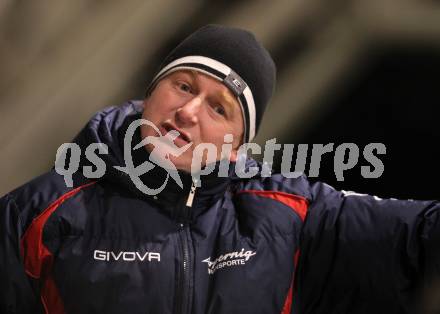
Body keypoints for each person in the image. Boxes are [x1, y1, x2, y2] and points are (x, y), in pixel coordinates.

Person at [0, 24, 439, 314]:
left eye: (218, 107)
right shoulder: (38, 213)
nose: (188, 111)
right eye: (183, 85)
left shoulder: (289, 211)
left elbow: (418, 236)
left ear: (236, 148)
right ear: (150, 95)